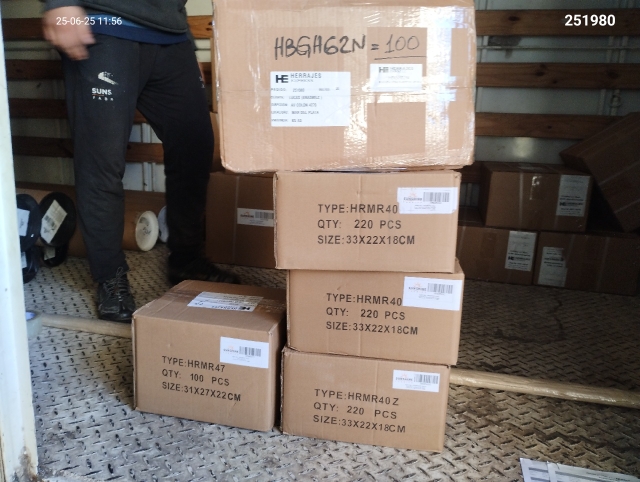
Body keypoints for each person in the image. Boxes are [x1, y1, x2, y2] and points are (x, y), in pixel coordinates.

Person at [42, 0, 238, 323]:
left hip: (170, 33)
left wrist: (184, 34)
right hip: (105, 24)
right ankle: (110, 277)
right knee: (101, 161)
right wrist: (59, 4)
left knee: (195, 144)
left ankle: (186, 259)